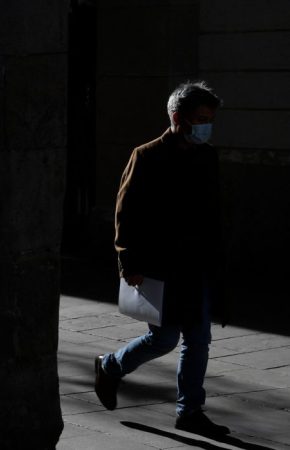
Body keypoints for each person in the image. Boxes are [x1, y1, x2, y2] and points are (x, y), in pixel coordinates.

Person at [94, 81, 230, 436]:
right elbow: (125, 213)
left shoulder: (207, 156)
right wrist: (128, 262)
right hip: (161, 267)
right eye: (200, 119)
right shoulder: (147, 155)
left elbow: (213, 212)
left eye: (210, 120)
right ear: (177, 118)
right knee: (164, 338)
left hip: (196, 266)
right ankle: (110, 366)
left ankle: (190, 410)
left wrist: (219, 262)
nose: (205, 126)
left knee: (198, 338)